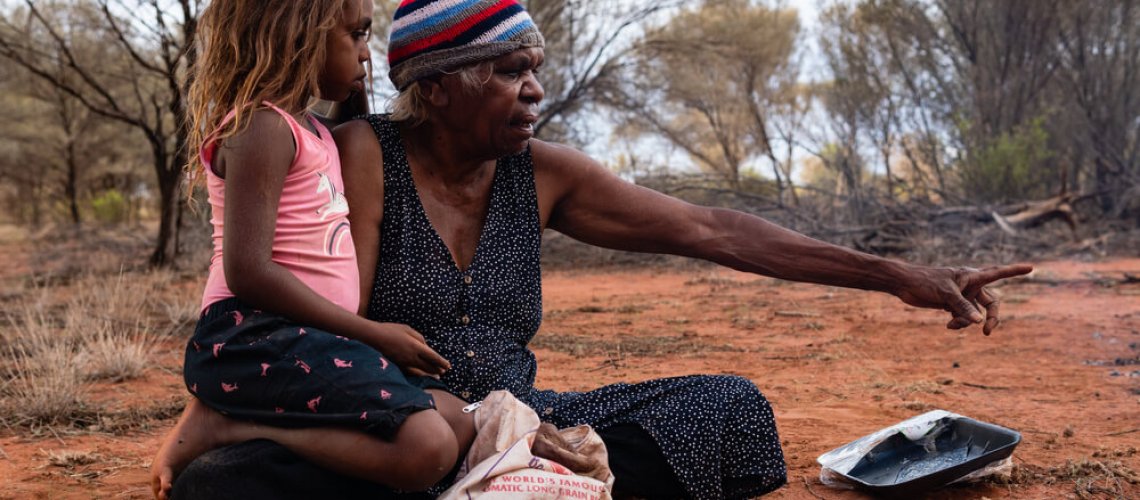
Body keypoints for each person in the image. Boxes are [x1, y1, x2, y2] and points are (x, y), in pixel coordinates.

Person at [169, 0, 1032, 498]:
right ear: (434, 92)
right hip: (401, 417)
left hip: (528, 414)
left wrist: (901, 277)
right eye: (507, 70)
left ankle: (539, 471)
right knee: (234, 484)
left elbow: (714, 230)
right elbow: (280, 293)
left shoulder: (543, 175)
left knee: (729, 409)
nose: (535, 89)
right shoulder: (360, 155)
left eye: (535, 66)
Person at [148, 1, 483, 498]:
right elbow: (248, 271)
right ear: (297, 34)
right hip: (253, 334)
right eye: (355, 35)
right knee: (428, 448)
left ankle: (244, 434)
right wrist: (374, 335)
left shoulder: (315, 130)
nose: (366, 55)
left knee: (459, 419)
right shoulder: (261, 127)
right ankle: (230, 427)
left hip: (307, 339)